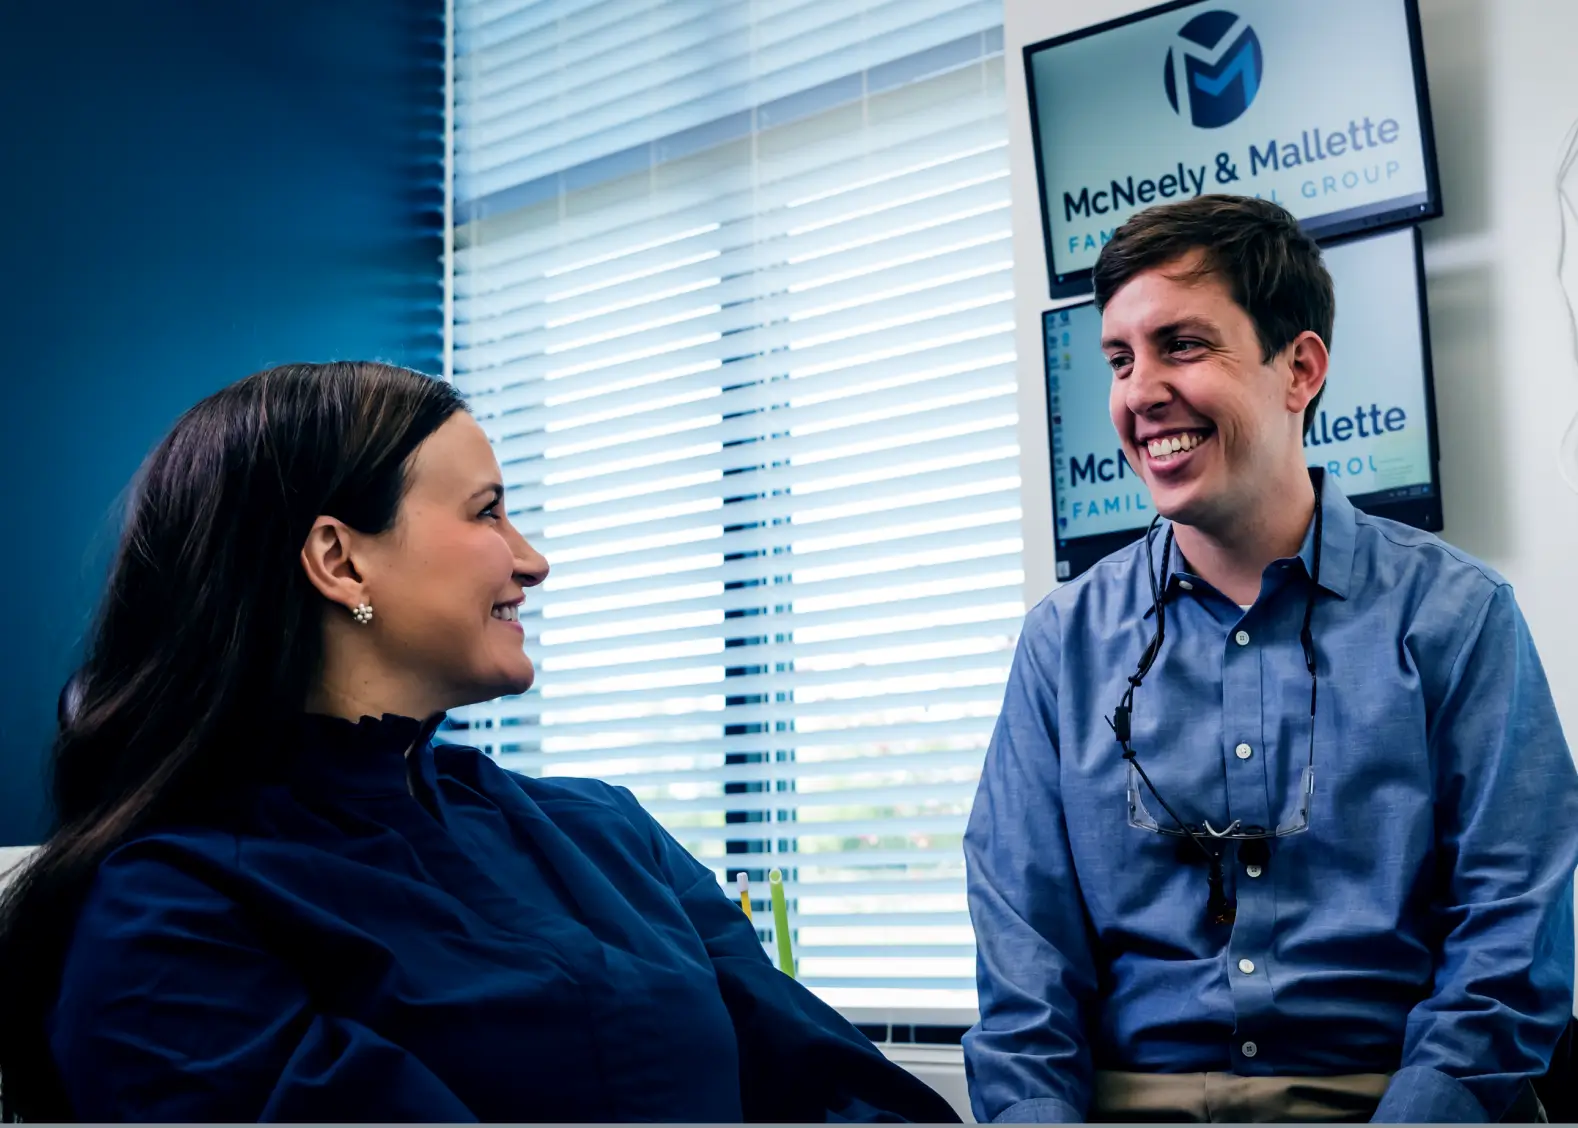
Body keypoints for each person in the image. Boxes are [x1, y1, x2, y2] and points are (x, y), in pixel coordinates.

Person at [0, 361, 960, 1124]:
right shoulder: (170, 919)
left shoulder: (608, 833)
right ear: (339, 560)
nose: (532, 561)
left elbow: (840, 1088)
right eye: (487, 511)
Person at [963, 197, 1578, 1124]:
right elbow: (1026, 983)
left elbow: (1511, 939)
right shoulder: (1063, 645)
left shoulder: (1456, 617)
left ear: (1300, 369)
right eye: (1120, 360)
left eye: (1182, 345)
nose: (1139, 393)